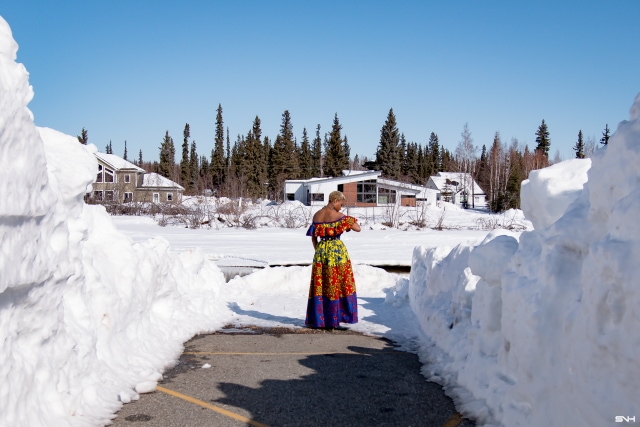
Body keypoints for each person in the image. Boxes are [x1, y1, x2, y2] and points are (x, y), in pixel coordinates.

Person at [305, 190, 361, 330]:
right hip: (336, 252)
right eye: (341, 204)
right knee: (339, 284)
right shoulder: (339, 216)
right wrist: (345, 221)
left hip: (321, 251)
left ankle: (319, 319)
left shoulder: (317, 215)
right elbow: (357, 228)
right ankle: (336, 319)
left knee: (321, 285)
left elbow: (313, 237)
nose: (341, 207)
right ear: (335, 200)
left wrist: (318, 250)